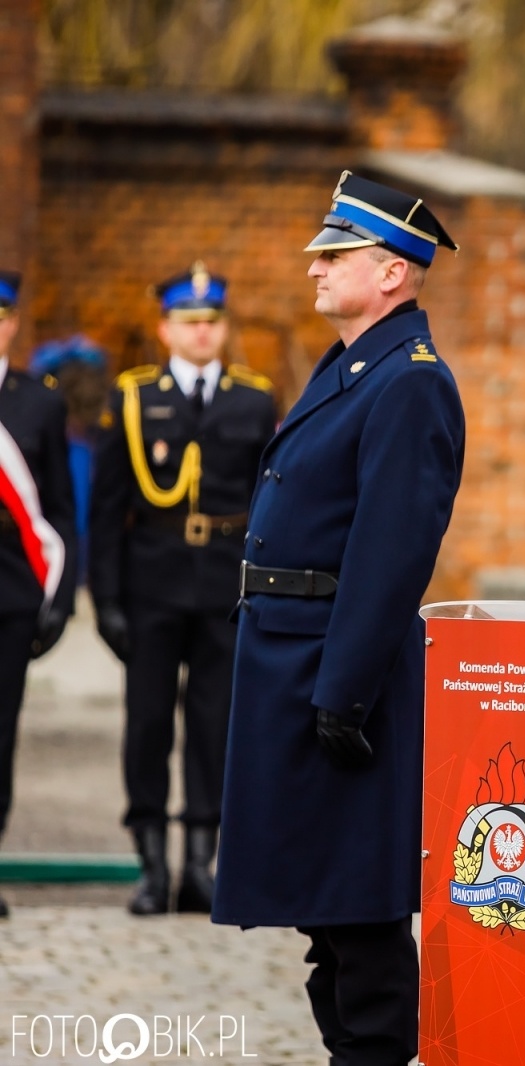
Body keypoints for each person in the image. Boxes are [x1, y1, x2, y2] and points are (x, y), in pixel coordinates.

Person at [212, 171, 465, 1066]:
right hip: (298, 661)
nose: (314, 268)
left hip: (337, 674)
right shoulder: (359, 363)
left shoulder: (410, 383)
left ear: (393, 271)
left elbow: (391, 553)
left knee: (357, 911)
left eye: (336, 253)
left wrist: (343, 695)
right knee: (325, 907)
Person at [89, 264, 277, 916]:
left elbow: (269, 504)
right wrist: (107, 599)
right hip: (153, 582)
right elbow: (108, 507)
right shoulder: (135, 396)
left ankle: (201, 864)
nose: (203, 333)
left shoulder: (255, 400)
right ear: (166, 328)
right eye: (190, 322)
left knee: (213, 723)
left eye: (213, 322)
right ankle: (150, 865)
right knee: (146, 725)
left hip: (225, 584)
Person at [0, 271, 76, 919]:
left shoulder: (39, 403)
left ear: (13, 322)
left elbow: (60, 510)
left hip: (8, 595)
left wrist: (61, 600)